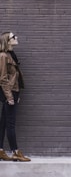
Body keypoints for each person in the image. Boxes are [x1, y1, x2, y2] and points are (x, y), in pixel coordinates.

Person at [0, 32, 30, 162]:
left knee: (4, 123)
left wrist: (17, 93)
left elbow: (15, 77)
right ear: (7, 40)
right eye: (13, 37)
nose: (16, 38)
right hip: (9, 92)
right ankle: (15, 152)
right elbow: (2, 79)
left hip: (13, 91)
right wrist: (10, 96)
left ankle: (0, 151)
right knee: (11, 124)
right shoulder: (2, 56)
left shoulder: (11, 55)